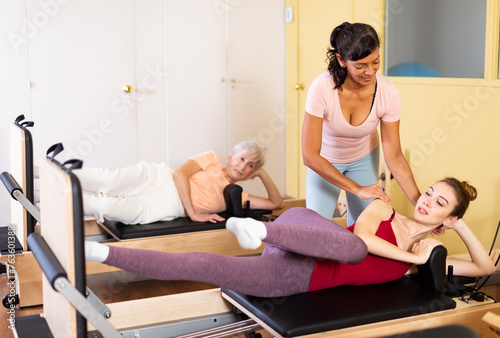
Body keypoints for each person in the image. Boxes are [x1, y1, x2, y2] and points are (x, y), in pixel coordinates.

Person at [85, 178, 496, 297]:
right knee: (352, 245)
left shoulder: (431, 249)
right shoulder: (383, 207)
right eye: (429, 192)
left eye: (440, 203)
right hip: (302, 230)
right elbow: (367, 243)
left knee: (207, 266)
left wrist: (458, 228)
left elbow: (485, 267)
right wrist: (415, 260)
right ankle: (259, 229)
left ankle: (99, 252)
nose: (426, 201)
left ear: (449, 215)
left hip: (298, 275)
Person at [302, 22, 420, 225]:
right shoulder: (321, 88)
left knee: (365, 225)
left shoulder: (387, 92)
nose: (370, 71)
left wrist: (420, 203)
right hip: (325, 160)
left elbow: (395, 158)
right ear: (341, 60)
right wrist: (357, 189)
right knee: (316, 227)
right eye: (360, 66)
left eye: (376, 62)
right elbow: (310, 156)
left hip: (363, 158)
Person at [75, 140, 284, 224]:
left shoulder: (236, 196)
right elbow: (179, 174)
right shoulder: (211, 158)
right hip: (157, 178)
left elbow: (276, 203)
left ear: (250, 174)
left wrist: (262, 173)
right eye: (242, 158)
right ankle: (49, 172)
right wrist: (193, 212)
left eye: (250, 166)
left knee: (107, 206)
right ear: (231, 156)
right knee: (109, 180)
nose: (243, 166)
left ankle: (49, 196)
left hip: (166, 207)